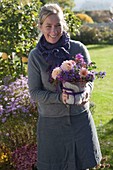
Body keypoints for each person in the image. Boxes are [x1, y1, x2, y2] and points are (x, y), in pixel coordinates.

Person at [28, 3, 102, 170]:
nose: (53, 31)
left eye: (58, 25)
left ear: (64, 25)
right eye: (48, 26)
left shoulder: (78, 49)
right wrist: (59, 98)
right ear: (40, 27)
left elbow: (89, 79)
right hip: (52, 126)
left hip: (80, 120)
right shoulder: (35, 56)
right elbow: (34, 92)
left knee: (83, 165)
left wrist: (87, 92)